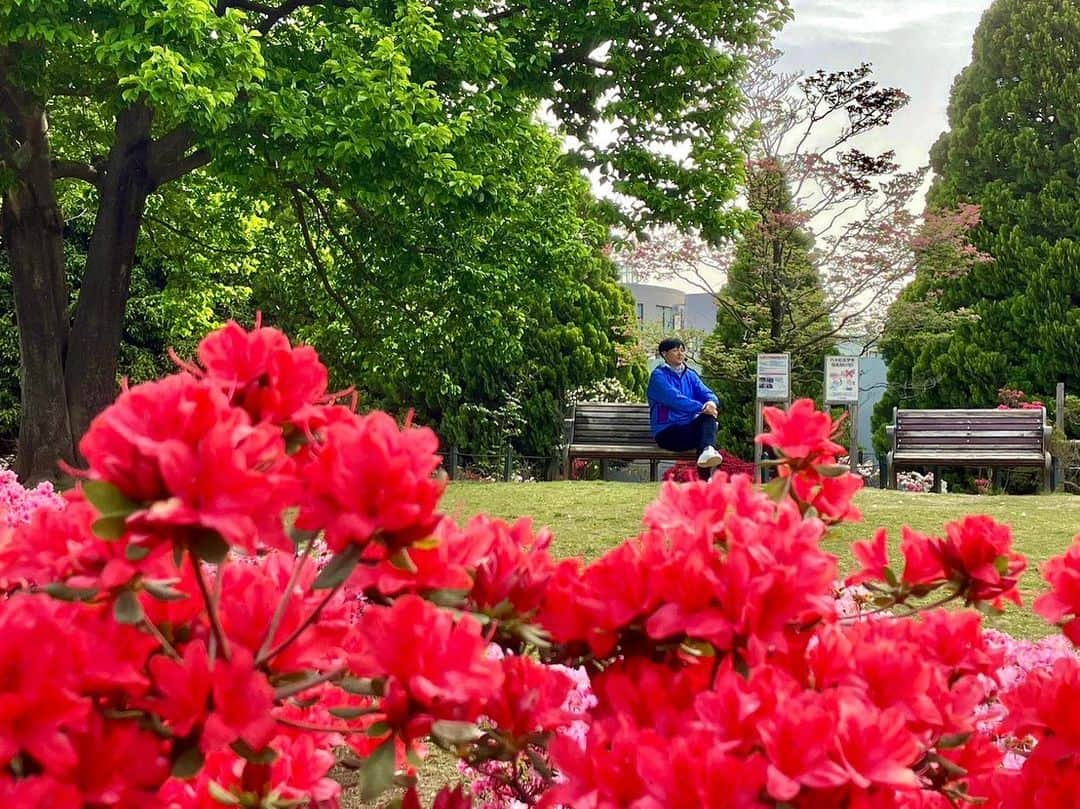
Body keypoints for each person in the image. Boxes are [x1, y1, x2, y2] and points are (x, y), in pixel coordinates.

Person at [647, 338, 724, 478]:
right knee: (706, 434)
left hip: (688, 428)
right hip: (668, 432)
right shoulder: (658, 376)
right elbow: (675, 399)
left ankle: (707, 463)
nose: (680, 354)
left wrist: (711, 403)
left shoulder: (690, 374)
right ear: (664, 354)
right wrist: (702, 407)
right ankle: (707, 477)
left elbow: (707, 393)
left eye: (682, 350)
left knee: (708, 428)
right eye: (675, 350)